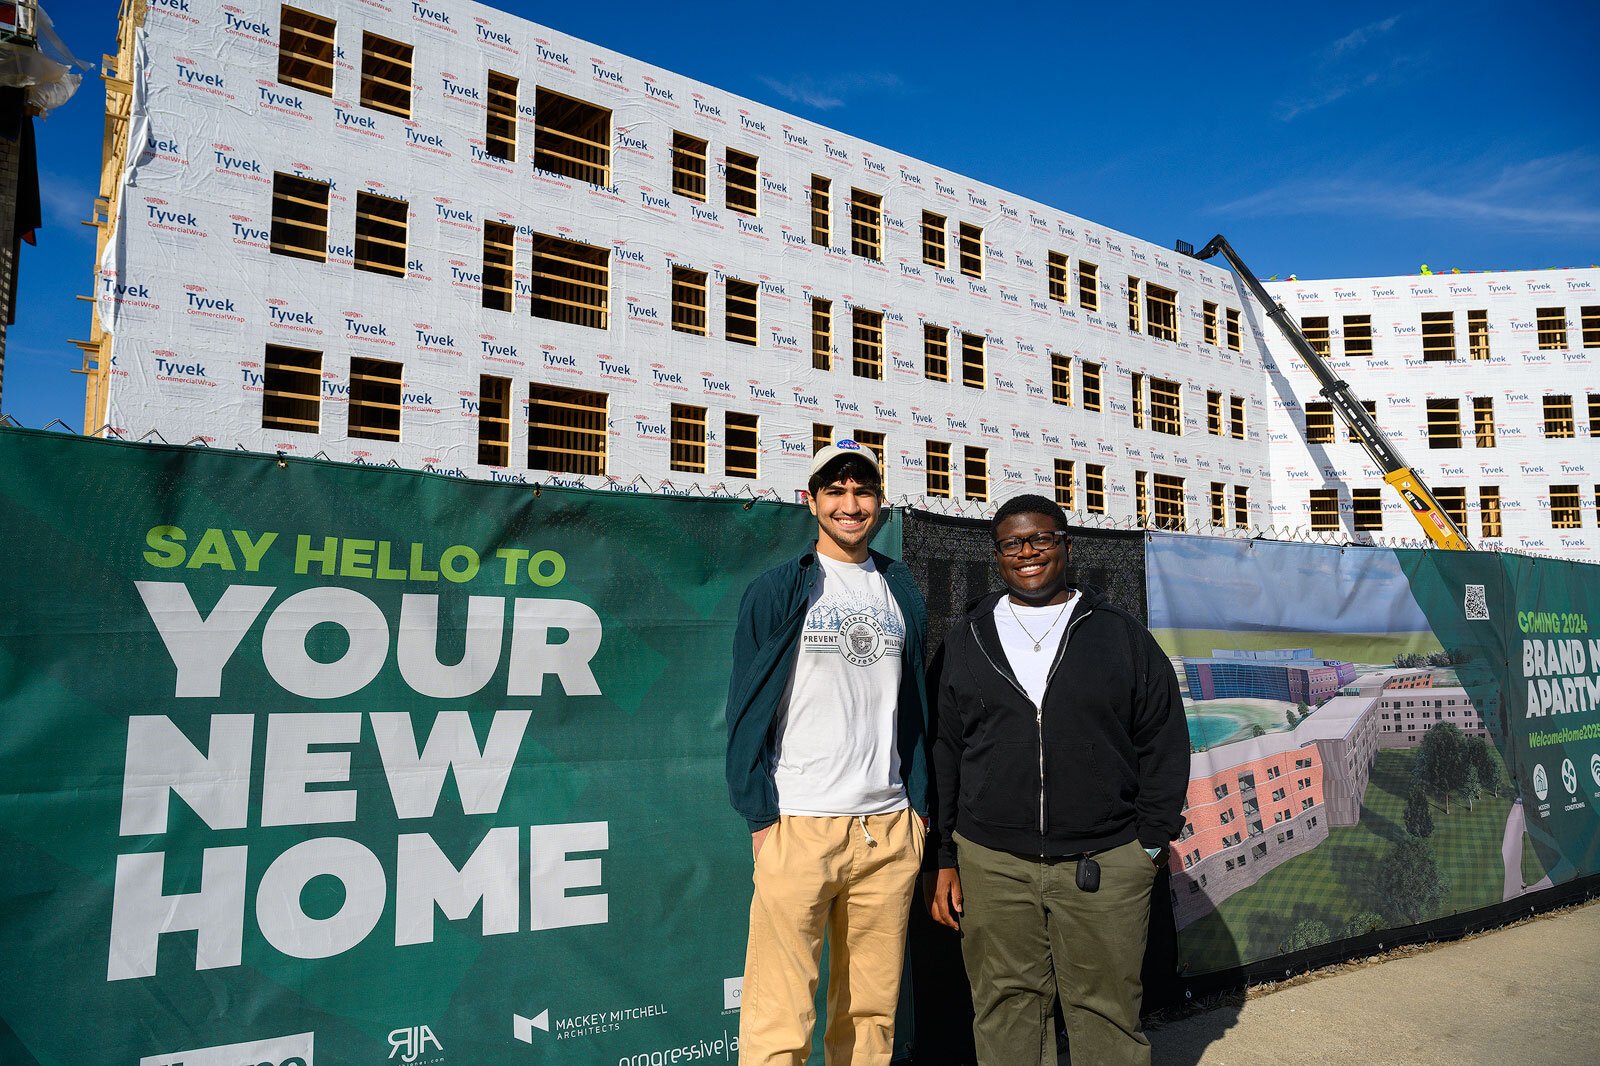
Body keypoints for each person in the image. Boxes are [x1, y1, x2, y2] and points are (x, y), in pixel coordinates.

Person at [927, 493, 1189, 1066]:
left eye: (1040, 539)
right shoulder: (967, 637)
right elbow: (945, 751)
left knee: (1107, 1012)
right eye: (1012, 543)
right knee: (1005, 1008)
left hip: (1105, 858)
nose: (1027, 552)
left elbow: (1162, 737)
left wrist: (1149, 842)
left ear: (1066, 546)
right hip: (992, 860)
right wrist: (946, 854)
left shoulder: (1119, 635)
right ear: (997, 555)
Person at [725, 440, 930, 1066]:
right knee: (778, 1014)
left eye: (862, 491)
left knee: (870, 1013)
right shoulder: (780, 589)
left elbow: (915, 705)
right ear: (810, 501)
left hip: (888, 828)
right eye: (835, 491)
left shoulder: (900, 587)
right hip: (800, 822)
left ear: (880, 503)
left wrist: (917, 807)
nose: (850, 504)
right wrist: (761, 813)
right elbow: (745, 707)